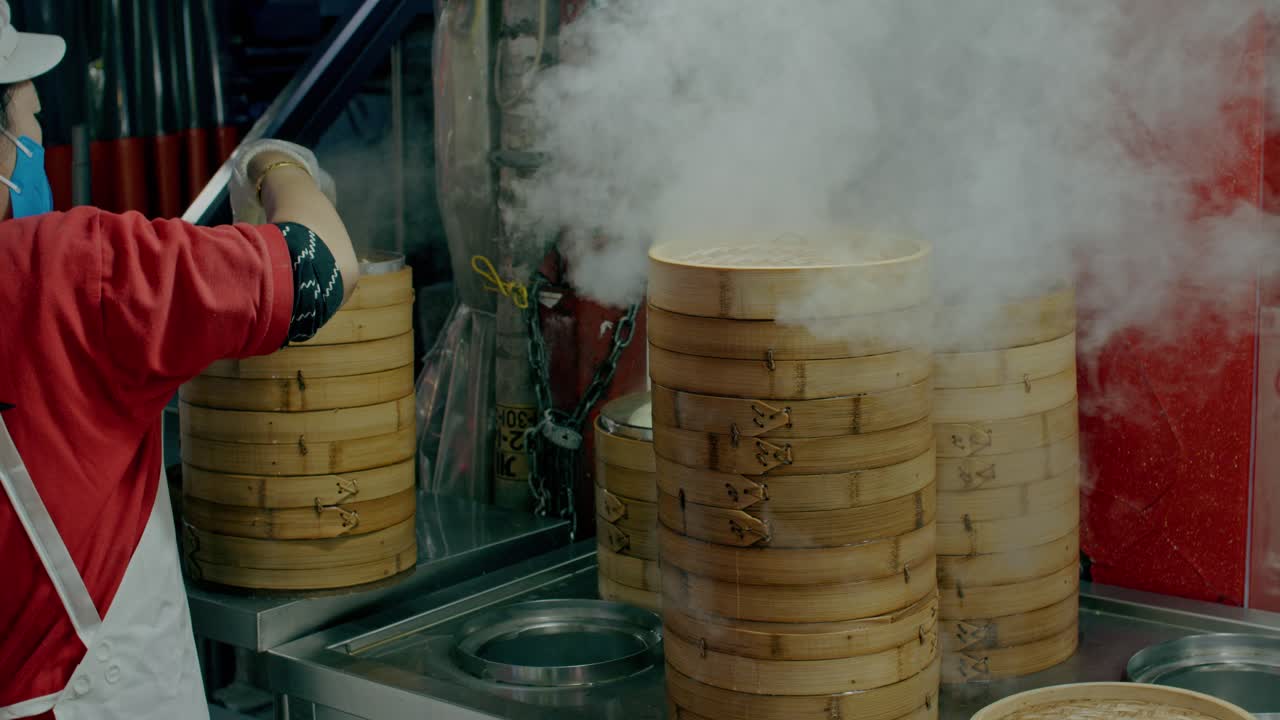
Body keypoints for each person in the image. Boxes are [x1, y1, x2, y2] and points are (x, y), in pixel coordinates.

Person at [0, 5, 360, 719]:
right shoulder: (64, 273)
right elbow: (322, 268)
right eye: (28, 116)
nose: (39, 132)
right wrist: (279, 167)